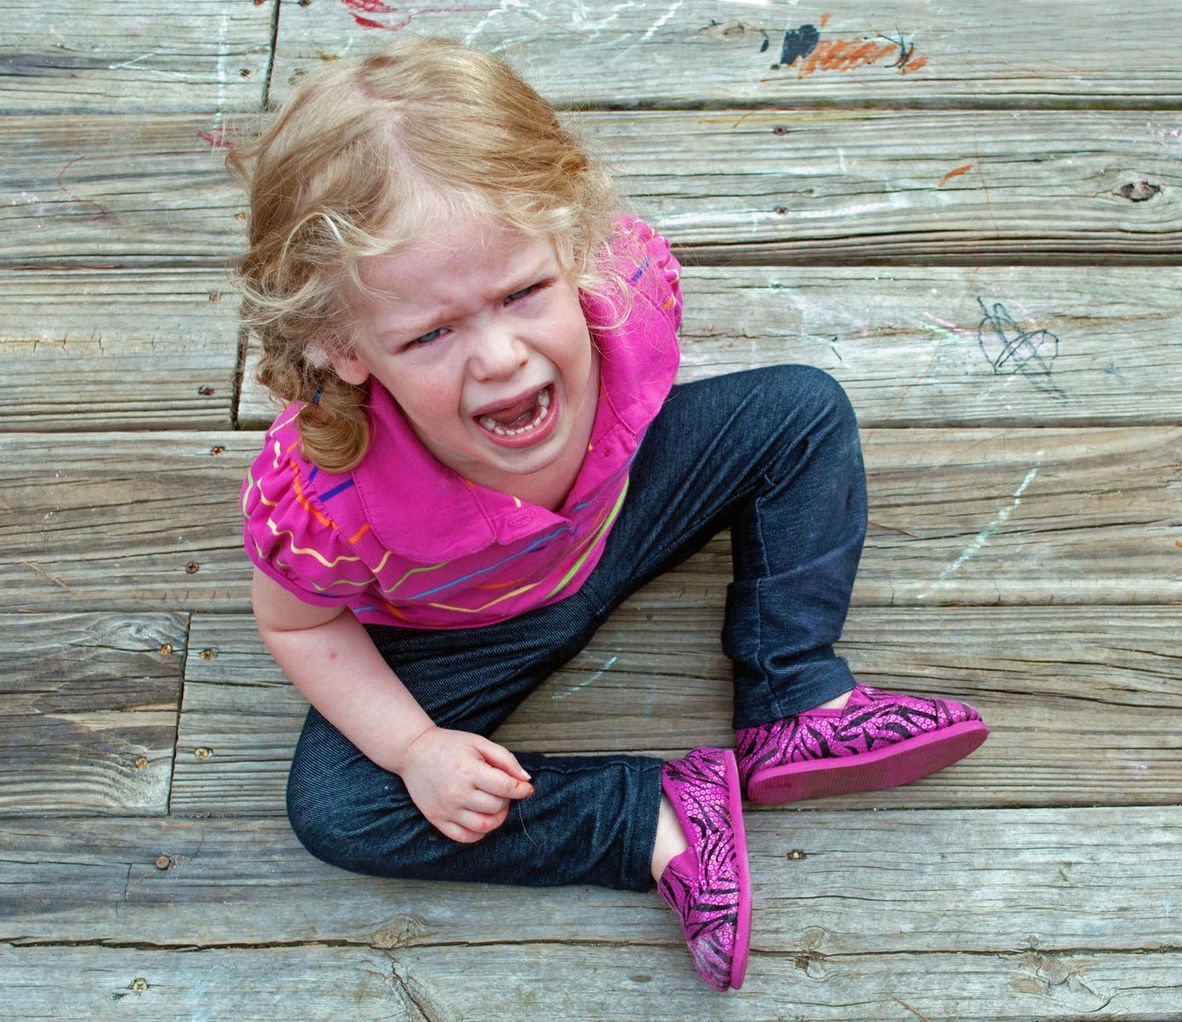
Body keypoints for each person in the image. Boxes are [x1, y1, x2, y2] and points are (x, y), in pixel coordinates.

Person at [232, 36, 988, 993]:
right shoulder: (322, 497)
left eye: (523, 292)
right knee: (338, 809)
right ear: (343, 346)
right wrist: (416, 748)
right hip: (454, 629)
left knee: (801, 410)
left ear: (573, 242)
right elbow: (295, 618)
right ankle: (655, 820)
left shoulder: (628, 291)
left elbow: (698, 410)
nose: (500, 357)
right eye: (430, 333)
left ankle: (794, 695)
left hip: (617, 514)